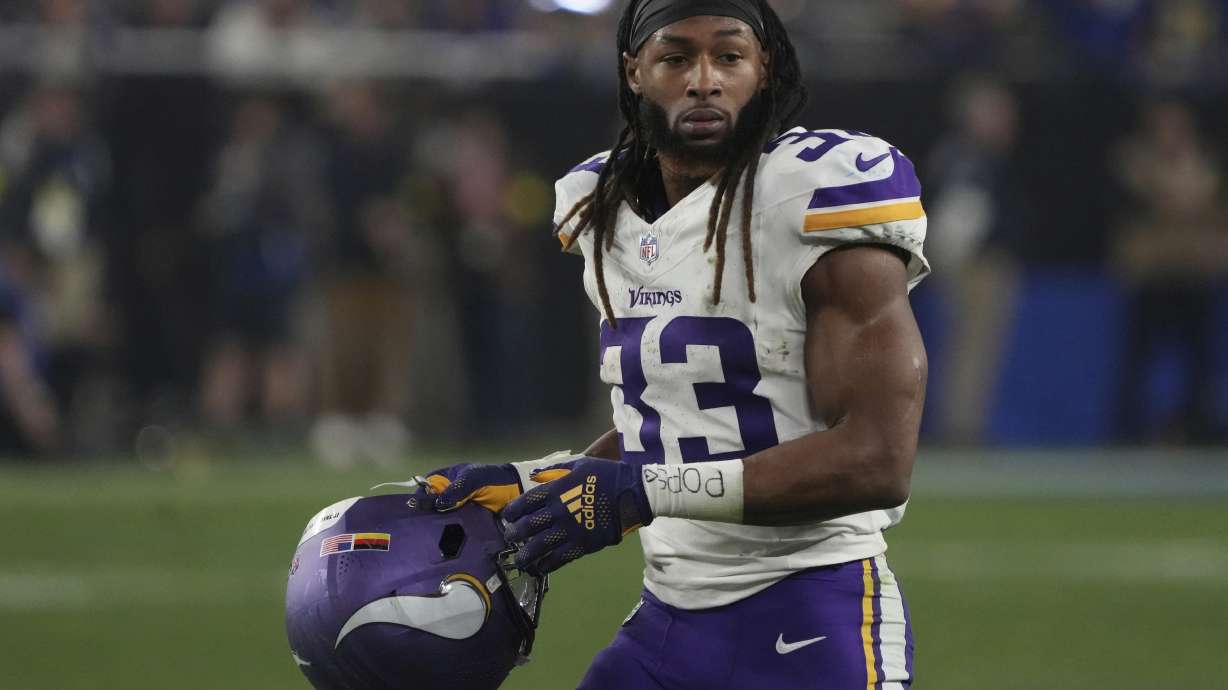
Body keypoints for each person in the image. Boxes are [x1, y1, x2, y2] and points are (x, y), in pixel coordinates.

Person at [417, 1, 929, 687]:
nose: (704, 80)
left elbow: (877, 460)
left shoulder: (816, 191)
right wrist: (534, 481)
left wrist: (638, 494)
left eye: (729, 56)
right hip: (668, 622)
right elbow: (674, 420)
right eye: (677, 57)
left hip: (813, 612)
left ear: (763, 68)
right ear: (635, 71)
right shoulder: (600, 203)